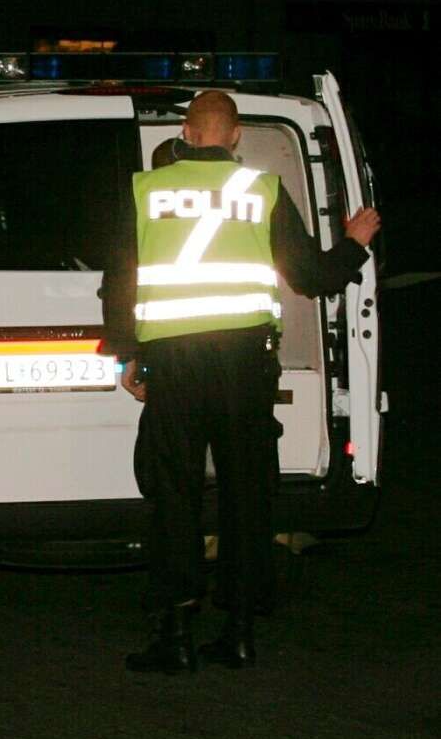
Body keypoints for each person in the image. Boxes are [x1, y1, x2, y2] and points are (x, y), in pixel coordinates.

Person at [103, 90, 379, 674]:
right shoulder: (263, 190)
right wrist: (354, 243)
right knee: (247, 495)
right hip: (245, 365)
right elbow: (311, 277)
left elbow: (119, 282)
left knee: (174, 494)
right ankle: (240, 632)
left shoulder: (144, 190)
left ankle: (176, 634)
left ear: (185, 133)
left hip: (175, 364)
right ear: (234, 137)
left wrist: (129, 355)